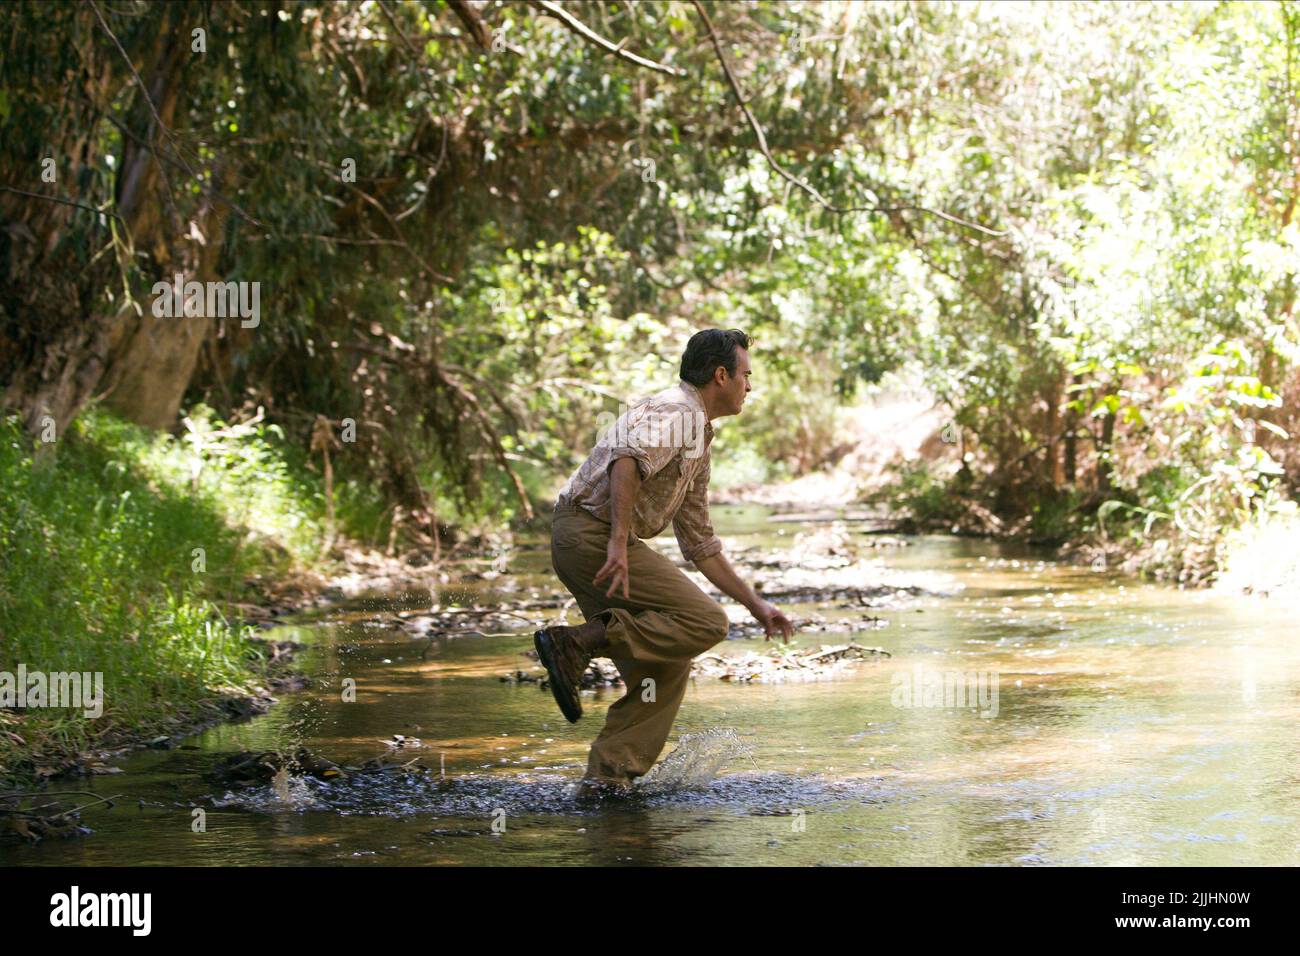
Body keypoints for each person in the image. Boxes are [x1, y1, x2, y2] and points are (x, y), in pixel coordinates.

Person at [534, 328, 794, 793]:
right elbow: (627, 461)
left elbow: (699, 543)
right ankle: (576, 642)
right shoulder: (678, 411)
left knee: (667, 666)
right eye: (746, 375)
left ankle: (607, 780)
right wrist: (617, 543)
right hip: (590, 535)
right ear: (721, 375)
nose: (749, 387)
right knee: (705, 621)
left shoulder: (698, 434)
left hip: (588, 538)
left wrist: (758, 607)